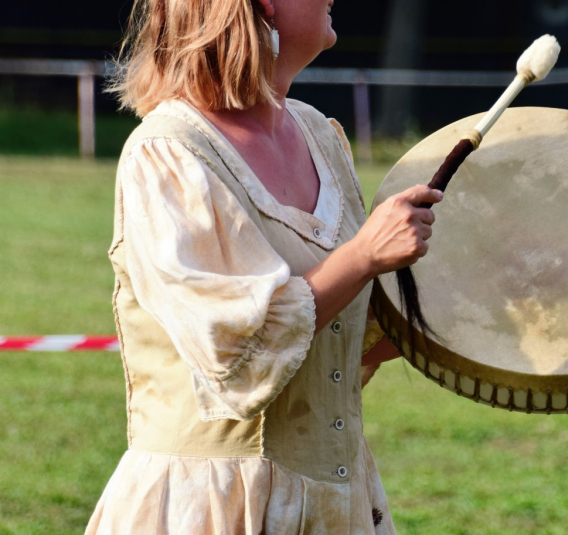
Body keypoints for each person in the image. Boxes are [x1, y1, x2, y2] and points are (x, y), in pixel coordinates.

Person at [85, 0, 441, 532]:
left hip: (341, 505)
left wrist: (490, 295)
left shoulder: (320, 135)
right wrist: (364, 254)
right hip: (215, 506)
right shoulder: (168, 152)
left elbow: (345, 340)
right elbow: (238, 356)